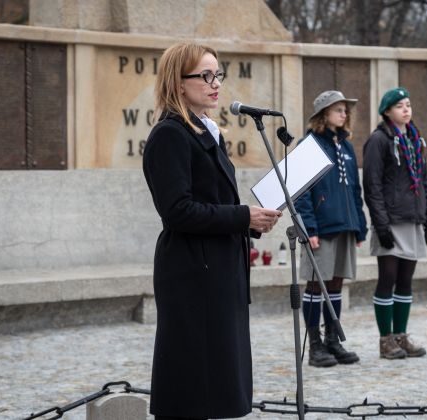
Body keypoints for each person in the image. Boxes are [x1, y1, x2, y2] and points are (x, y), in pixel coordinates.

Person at [142, 43, 282, 419]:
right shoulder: (170, 134)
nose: (215, 83)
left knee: (217, 376)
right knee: (192, 380)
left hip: (219, 267)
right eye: (204, 75)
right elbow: (177, 211)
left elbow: (215, 199)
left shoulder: (207, 131)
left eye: (217, 74)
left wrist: (253, 221)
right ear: (179, 82)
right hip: (192, 273)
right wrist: (242, 217)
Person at [295, 90, 368, 367]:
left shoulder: (346, 146)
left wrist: (359, 226)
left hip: (345, 226)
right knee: (316, 285)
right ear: (323, 114)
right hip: (321, 229)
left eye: (345, 109)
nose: (344, 114)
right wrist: (309, 228)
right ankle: (315, 345)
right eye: (338, 109)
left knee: (336, 284)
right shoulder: (309, 145)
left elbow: (354, 190)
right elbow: (301, 193)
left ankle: (332, 341)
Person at [363, 87, 427, 359]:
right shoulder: (379, 140)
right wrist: (381, 225)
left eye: (408, 104)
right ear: (387, 111)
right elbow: (372, 184)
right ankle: (386, 340)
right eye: (400, 106)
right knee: (388, 279)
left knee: (405, 280)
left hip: (413, 218)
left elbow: (424, 182)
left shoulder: (415, 140)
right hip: (390, 221)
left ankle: (401, 336)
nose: (406, 109)